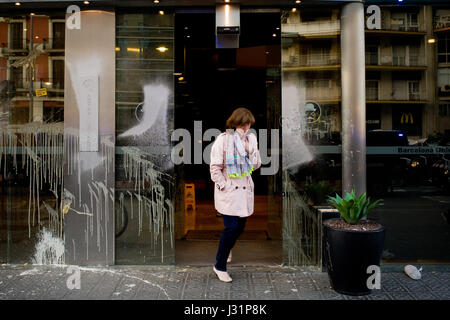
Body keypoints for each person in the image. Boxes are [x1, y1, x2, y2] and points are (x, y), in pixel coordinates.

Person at [209, 107, 262, 282]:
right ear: (236, 123)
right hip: (230, 192)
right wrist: (224, 186)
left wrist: (248, 148)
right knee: (231, 227)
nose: (246, 128)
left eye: (248, 124)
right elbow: (215, 167)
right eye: (243, 124)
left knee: (240, 228)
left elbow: (257, 164)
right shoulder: (223, 140)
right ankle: (220, 266)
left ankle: (228, 246)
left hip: (244, 190)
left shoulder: (251, 139)